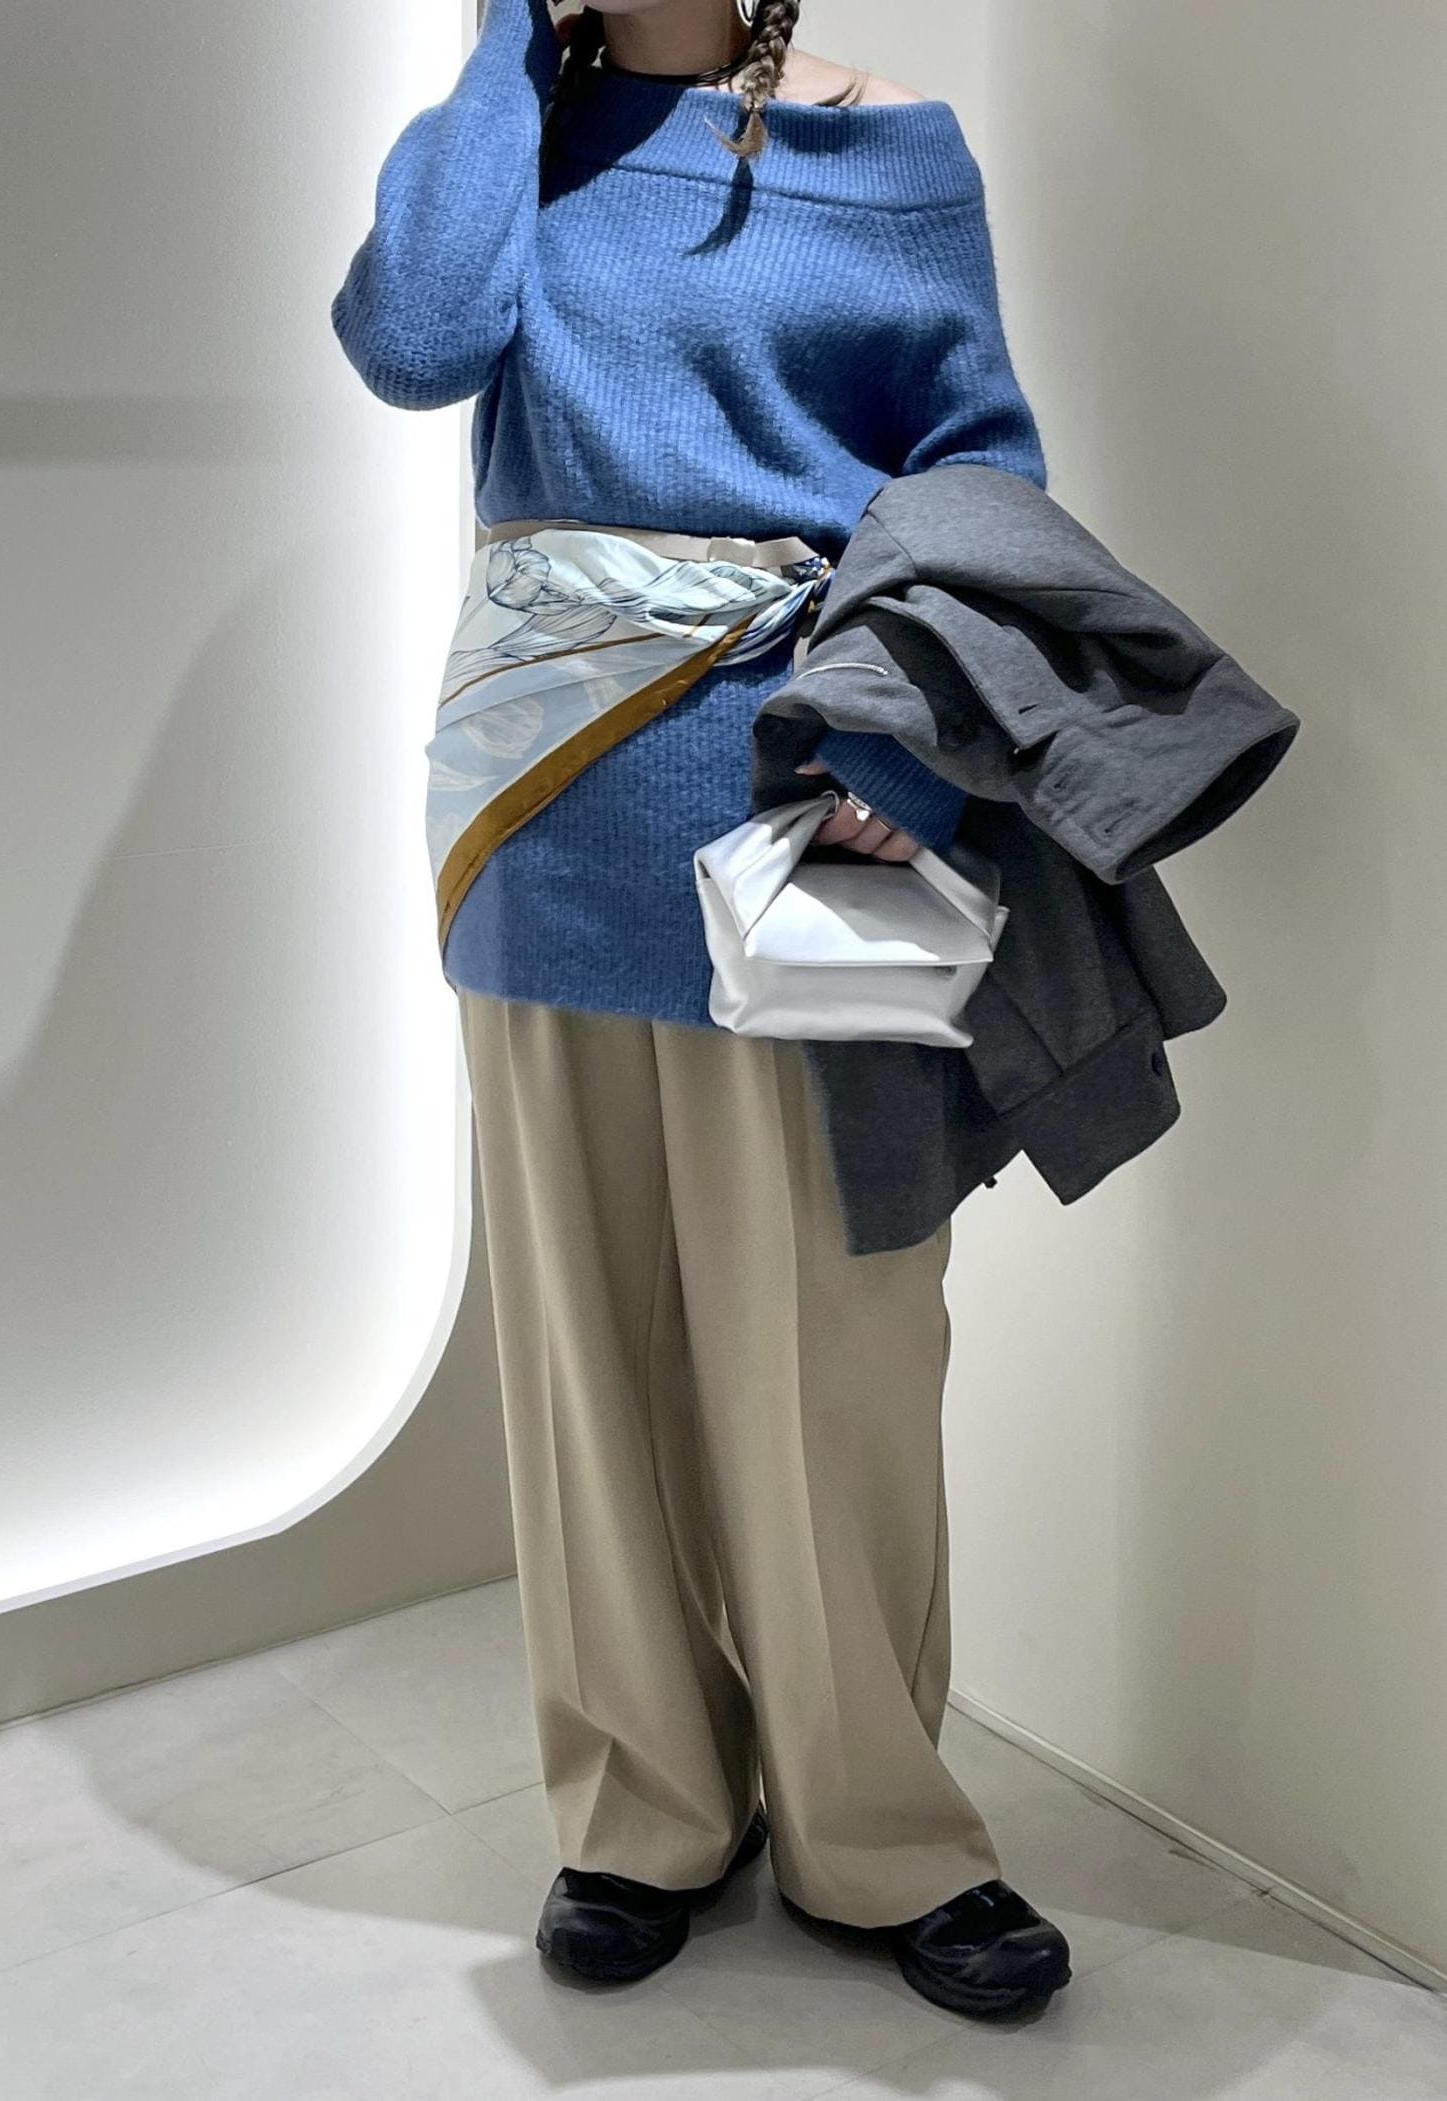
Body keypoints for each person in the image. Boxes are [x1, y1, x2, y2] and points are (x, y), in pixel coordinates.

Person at [332, 0, 1072, 2019]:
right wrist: (506, 43)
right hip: (542, 815)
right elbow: (414, 339)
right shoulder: (503, 138)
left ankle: (882, 1832)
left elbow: (980, 472)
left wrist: (908, 757)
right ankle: (644, 1809)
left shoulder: (892, 147)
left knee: (841, 1347)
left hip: (818, 805)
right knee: (592, 1356)